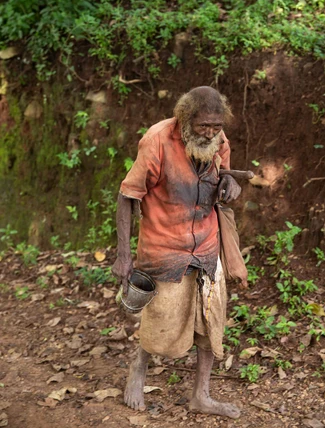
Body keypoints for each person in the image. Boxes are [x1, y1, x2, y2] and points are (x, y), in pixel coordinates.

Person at [112, 86, 243, 419]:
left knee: (211, 323)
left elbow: (226, 175)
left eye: (216, 126)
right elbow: (128, 197)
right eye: (203, 127)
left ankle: (201, 395)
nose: (211, 133)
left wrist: (231, 184)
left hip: (207, 246)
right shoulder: (156, 140)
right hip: (165, 248)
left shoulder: (219, 140)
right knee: (158, 319)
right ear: (186, 120)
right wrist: (124, 256)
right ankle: (138, 369)